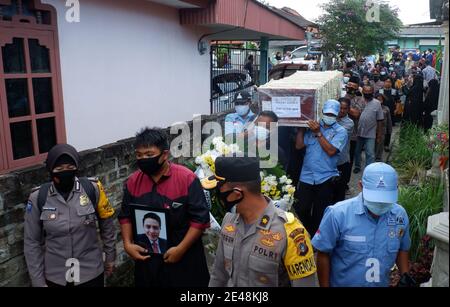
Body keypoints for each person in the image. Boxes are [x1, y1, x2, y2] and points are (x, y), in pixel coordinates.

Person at [118, 128, 210, 287]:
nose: (143, 159)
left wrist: (181, 249)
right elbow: (125, 215)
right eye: (139, 155)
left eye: (149, 155)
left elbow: (200, 220)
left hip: (184, 257)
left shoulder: (187, 178)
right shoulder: (133, 182)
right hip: (148, 259)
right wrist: (127, 244)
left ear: (165, 154)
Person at [208, 157, 318, 287]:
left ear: (237, 194)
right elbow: (219, 276)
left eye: (218, 191)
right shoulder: (229, 221)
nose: (215, 196)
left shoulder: (291, 234)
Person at [24, 144, 116, 287]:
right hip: (56, 275)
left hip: (90, 271)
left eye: (70, 167)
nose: (65, 172)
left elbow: (107, 224)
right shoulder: (38, 197)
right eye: (59, 169)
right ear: (50, 170)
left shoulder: (93, 188)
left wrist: (110, 256)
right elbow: (32, 242)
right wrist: (38, 281)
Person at [312, 163, 412, 287]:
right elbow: (323, 253)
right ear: (361, 186)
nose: (380, 204)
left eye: (385, 199)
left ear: (396, 189)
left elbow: (403, 248)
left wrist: (405, 275)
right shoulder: (338, 214)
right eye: (375, 198)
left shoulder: (399, 216)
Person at [294, 100, 348, 236]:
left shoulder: (340, 132)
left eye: (332, 114)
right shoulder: (312, 127)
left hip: (325, 177)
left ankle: (315, 238)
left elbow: (331, 151)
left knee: (320, 212)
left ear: (336, 116)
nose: (329, 116)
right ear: (322, 112)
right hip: (307, 176)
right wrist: (300, 128)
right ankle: (306, 234)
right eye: (327, 113)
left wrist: (318, 133)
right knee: (301, 208)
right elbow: (299, 146)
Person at [353, 85, 384, 174]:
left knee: (370, 153)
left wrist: (379, 135)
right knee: (357, 151)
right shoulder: (358, 101)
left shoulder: (377, 103)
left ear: (372, 92)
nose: (367, 94)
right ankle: (357, 166)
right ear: (363, 92)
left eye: (369, 93)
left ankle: (369, 170)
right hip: (358, 132)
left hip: (370, 132)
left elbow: (380, 120)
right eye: (365, 93)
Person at [334, 97, 354, 202]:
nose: (341, 110)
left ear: (348, 109)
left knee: (340, 191)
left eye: (344, 108)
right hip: (329, 162)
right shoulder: (330, 119)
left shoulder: (349, 123)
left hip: (342, 161)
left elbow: (337, 134)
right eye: (339, 108)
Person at [345, 76, 365, 166]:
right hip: (340, 132)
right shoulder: (341, 95)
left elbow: (356, 114)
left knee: (351, 155)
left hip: (353, 133)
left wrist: (343, 106)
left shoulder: (360, 99)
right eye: (349, 85)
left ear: (357, 88)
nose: (350, 88)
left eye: (353, 87)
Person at [374, 93, 392, 161]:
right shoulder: (373, 107)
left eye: (380, 99)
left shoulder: (386, 108)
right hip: (373, 130)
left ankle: (378, 158)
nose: (379, 100)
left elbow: (389, 121)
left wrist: (389, 130)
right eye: (377, 99)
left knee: (380, 145)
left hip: (382, 130)